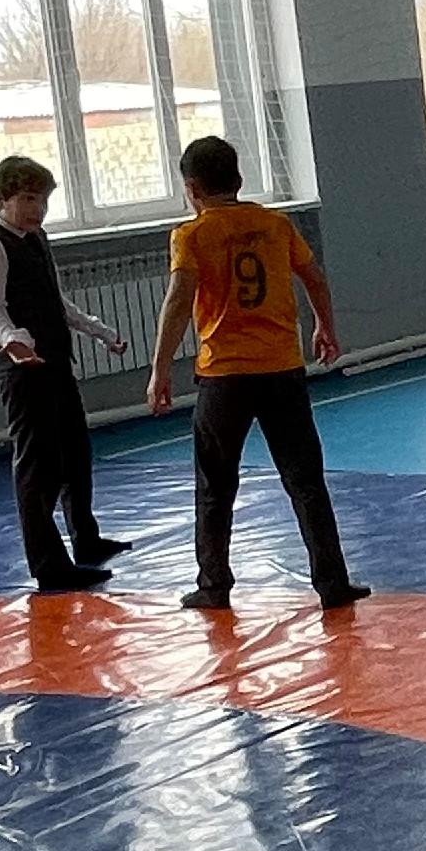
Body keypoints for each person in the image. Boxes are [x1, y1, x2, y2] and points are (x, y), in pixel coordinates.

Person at [142, 135, 366, 613]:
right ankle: (332, 583)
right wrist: (325, 326)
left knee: (215, 485)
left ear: (192, 189)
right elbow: (315, 278)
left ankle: (214, 585)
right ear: (239, 180)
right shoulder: (275, 225)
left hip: (225, 375)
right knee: (305, 480)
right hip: (281, 369)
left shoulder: (191, 235)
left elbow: (178, 301)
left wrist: (160, 370)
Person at [0, 152, 131, 592]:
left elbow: (58, 303)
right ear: (3, 199)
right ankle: (48, 564)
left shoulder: (37, 238)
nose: (37, 209)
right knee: (38, 466)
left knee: (75, 453)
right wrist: (14, 340)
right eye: (27, 199)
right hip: (22, 371)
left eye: (42, 200)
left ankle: (86, 540)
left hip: (56, 362)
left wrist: (101, 332)